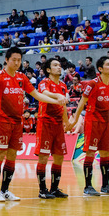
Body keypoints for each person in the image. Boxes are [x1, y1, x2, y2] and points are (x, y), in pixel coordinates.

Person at [0, 47, 66, 202]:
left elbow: (37, 95)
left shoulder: (22, 77)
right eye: (14, 60)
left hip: (17, 122)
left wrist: (57, 100)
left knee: (12, 156)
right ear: (7, 60)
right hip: (2, 120)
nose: (17, 63)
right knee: (0, 155)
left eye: (19, 60)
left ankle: (5, 190)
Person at [67, 56, 109, 196]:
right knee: (90, 153)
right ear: (100, 69)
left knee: (105, 153)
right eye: (108, 64)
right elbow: (82, 102)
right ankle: (88, 186)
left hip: (104, 121)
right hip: (92, 120)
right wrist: (75, 120)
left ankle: (105, 185)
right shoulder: (92, 83)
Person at [34, 58, 70, 199]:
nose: (59, 68)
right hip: (46, 123)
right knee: (43, 157)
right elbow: (44, 94)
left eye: (60, 65)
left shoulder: (63, 85)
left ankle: (54, 189)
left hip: (58, 124)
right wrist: (58, 95)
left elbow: (64, 106)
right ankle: (43, 190)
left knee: (59, 157)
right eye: (55, 65)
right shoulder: (44, 82)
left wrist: (67, 122)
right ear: (48, 70)